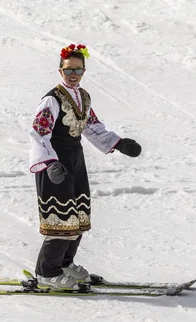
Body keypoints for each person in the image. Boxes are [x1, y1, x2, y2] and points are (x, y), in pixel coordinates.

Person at [28, 44, 142, 288]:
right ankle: (46, 273)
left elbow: (92, 127)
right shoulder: (52, 99)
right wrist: (49, 164)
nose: (73, 75)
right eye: (69, 70)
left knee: (77, 216)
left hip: (75, 161)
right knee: (60, 220)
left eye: (78, 70)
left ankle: (65, 263)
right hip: (55, 165)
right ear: (60, 71)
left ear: (83, 71)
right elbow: (39, 133)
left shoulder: (84, 96)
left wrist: (119, 144)